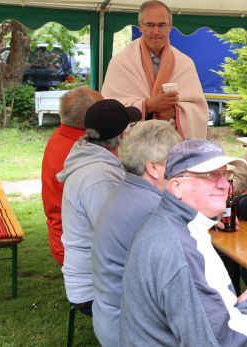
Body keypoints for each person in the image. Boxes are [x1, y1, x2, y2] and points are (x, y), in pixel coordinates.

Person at [120, 140, 247, 346]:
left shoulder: (170, 224)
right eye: (209, 175)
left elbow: (200, 314)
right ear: (177, 186)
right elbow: (221, 342)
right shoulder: (180, 248)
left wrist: (239, 304)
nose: (224, 184)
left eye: (225, 174)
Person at [92, 120, 181, 347]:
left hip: (109, 315)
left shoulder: (126, 191)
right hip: (131, 328)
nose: (181, 171)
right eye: (175, 164)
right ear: (153, 168)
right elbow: (178, 285)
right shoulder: (151, 208)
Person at [58, 99, 141, 314]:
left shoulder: (94, 161)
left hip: (100, 278)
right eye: (130, 128)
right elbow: (119, 237)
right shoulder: (99, 178)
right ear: (122, 137)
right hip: (94, 290)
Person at [101, 0, 208, 139]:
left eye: (162, 25)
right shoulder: (121, 62)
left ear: (170, 27)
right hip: (133, 150)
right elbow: (109, 110)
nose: (156, 31)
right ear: (140, 27)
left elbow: (199, 110)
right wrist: (149, 105)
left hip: (173, 147)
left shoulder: (185, 63)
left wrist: (176, 112)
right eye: (150, 25)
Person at [41, 86, 102, 266]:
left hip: (64, 238)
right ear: (90, 118)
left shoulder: (61, 137)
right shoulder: (79, 153)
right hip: (77, 245)